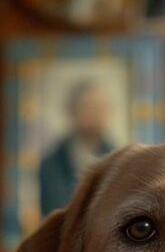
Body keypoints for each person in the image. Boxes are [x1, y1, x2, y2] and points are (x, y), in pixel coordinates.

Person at [38, 79, 116, 215]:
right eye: (88, 107)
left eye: (100, 108)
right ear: (73, 111)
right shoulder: (51, 164)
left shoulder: (118, 160)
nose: (95, 114)